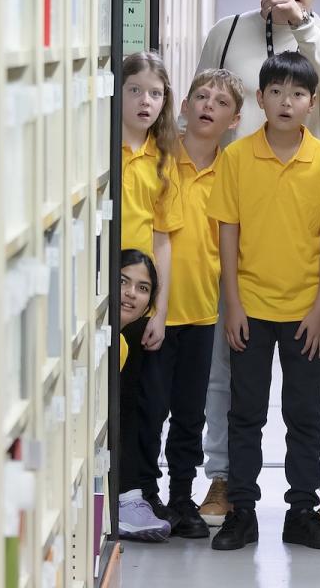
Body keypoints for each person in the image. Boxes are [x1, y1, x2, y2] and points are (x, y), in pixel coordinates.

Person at [196, 0, 320, 534]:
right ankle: (222, 476)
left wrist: (301, 22)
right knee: (226, 363)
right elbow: (204, 102)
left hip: (303, 219)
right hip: (234, 214)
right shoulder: (229, 32)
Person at [137, 69, 244, 540]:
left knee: (189, 413)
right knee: (148, 408)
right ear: (182, 107)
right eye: (200, 97)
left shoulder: (234, 172)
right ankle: (144, 494)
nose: (207, 106)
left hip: (201, 312)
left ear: (234, 119)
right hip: (153, 313)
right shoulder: (160, 160)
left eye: (220, 102)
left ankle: (183, 498)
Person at [118, 52, 183, 542]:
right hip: (104, 292)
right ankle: (118, 495)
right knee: (110, 400)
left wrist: (159, 309)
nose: (146, 101)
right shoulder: (99, 148)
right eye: (136, 90)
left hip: (141, 300)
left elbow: (164, 237)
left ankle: (135, 493)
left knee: (144, 403)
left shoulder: (163, 159)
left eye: (156, 93)